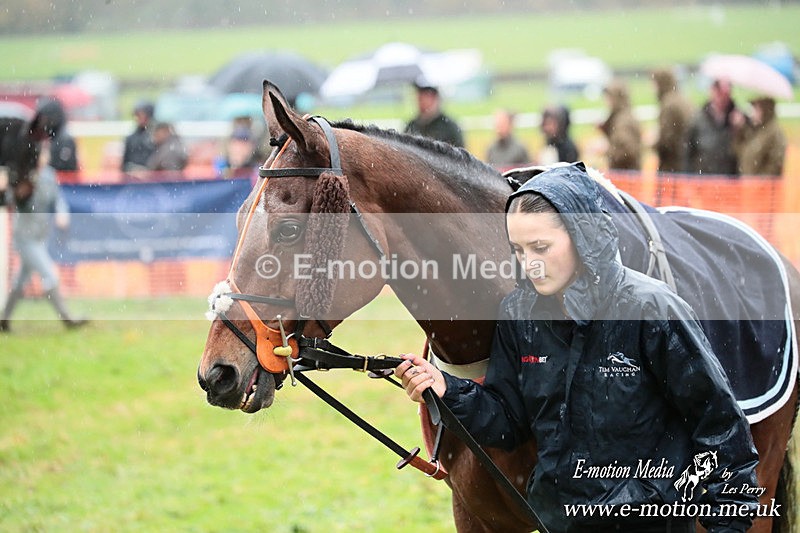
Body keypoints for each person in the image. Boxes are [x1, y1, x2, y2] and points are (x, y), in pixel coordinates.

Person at [395, 162, 759, 532]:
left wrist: (726, 524)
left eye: (541, 247)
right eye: (519, 251)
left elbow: (720, 427)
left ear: (582, 235)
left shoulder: (650, 309)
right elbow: (509, 421)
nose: (530, 264)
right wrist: (448, 391)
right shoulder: (519, 313)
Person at [1, 140, 87, 332]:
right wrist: (9, 191)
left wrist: (62, 213)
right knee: (49, 274)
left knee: (20, 280)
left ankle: (4, 320)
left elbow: (58, 199)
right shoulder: (21, 176)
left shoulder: (49, 175)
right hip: (24, 237)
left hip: (40, 235)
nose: (43, 157)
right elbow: (9, 200)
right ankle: (67, 318)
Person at [685, 79, 739, 176]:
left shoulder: (738, 118)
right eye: (719, 93)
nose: (722, 99)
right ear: (712, 91)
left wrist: (739, 129)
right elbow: (688, 151)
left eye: (726, 94)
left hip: (729, 181)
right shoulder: (698, 118)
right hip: (703, 179)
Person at [651, 68, 694, 173]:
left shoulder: (669, 104)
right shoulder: (681, 99)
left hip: (673, 166)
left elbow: (667, 139)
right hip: (686, 162)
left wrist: (653, 143)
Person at [733, 96, 787, 176]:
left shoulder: (773, 132)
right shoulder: (756, 131)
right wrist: (739, 130)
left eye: (756, 109)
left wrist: (760, 182)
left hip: (762, 186)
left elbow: (776, 163)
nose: (753, 113)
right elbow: (740, 152)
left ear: (764, 110)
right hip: (751, 185)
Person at [404, 81, 464, 148]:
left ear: (436, 99)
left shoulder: (449, 127)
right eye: (420, 95)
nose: (421, 100)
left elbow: (459, 154)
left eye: (426, 96)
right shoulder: (412, 124)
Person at [598, 79, 642, 170]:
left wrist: (606, 150)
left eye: (608, 97)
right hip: (627, 173)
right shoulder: (620, 117)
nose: (606, 101)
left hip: (626, 175)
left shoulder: (623, 121)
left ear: (615, 99)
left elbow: (627, 151)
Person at [35, 98, 79, 171]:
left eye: (44, 119)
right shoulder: (53, 137)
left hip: (63, 180)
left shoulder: (65, 140)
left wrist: (46, 162)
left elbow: (65, 167)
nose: (41, 123)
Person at [121, 100, 156, 173]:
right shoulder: (130, 139)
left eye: (142, 115)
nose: (138, 118)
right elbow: (124, 164)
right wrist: (133, 169)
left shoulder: (158, 136)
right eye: (137, 115)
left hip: (153, 178)